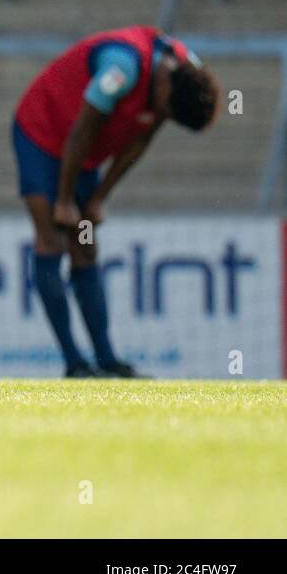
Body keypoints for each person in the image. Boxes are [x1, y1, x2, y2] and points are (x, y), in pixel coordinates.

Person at [13, 26, 218, 377]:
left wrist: (97, 199)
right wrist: (65, 200)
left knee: (86, 245)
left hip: (85, 158)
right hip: (42, 136)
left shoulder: (186, 72)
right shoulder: (120, 70)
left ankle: (107, 360)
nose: (162, 117)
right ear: (164, 87)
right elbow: (83, 130)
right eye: (166, 111)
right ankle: (75, 363)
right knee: (54, 238)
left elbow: (139, 141)